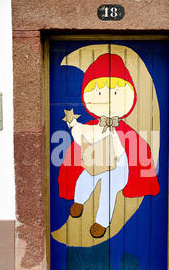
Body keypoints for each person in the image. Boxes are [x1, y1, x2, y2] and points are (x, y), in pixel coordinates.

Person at [59, 53, 160, 239]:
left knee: (109, 190)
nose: (107, 99)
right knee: (85, 177)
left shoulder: (124, 130)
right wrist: (73, 124)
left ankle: (101, 222)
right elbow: (82, 135)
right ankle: (78, 201)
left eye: (115, 93)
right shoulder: (93, 125)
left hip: (118, 164)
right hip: (96, 159)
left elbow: (138, 147)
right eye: (98, 93)